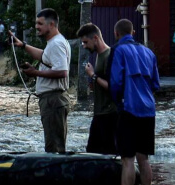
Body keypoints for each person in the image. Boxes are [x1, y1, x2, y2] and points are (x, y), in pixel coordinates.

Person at [108, 19, 159, 185]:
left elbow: (115, 83)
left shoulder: (118, 50)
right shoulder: (149, 53)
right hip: (148, 110)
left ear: (116, 34)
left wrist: (118, 102)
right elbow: (155, 84)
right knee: (143, 159)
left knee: (128, 160)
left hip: (128, 108)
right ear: (134, 32)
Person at [8, 8, 71, 153]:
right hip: (53, 100)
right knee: (54, 144)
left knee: (53, 147)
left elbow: (62, 72)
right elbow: (44, 56)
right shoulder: (55, 42)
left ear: (52, 24)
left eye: (40, 23)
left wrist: (35, 72)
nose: (36, 26)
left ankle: (54, 175)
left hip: (53, 100)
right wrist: (23, 46)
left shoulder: (56, 44)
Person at [80, 23, 118, 155]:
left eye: (85, 42)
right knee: (91, 151)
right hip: (99, 113)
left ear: (95, 38)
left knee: (109, 153)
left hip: (110, 114)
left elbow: (113, 87)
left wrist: (93, 75)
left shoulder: (109, 56)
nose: (84, 46)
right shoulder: (98, 55)